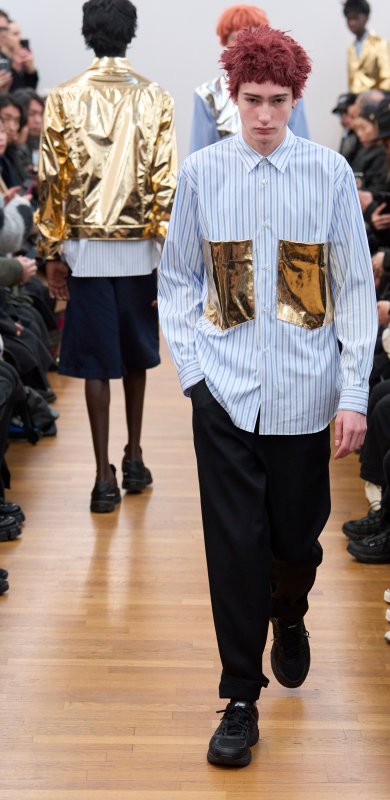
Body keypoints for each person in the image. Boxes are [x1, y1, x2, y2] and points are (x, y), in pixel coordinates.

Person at [159, 25, 376, 768]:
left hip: (304, 393)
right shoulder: (202, 173)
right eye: (251, 99)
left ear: (294, 99)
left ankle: (291, 608)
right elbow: (178, 279)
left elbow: (353, 288)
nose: (262, 115)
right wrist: (194, 376)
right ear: (233, 95)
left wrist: (354, 394)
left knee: (296, 539)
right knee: (234, 547)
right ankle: (239, 697)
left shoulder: (328, 173)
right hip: (223, 392)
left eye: (277, 100)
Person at [36, 0, 177, 512]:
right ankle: (134, 457)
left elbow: (53, 178)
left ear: (87, 33)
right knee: (137, 355)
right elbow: (165, 179)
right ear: (129, 32)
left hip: (85, 248)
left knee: (97, 363)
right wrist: (167, 248)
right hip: (140, 249)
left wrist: (51, 247)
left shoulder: (64, 96)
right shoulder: (155, 96)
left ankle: (102, 480)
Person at [189, 4, 309, 153]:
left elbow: (302, 146)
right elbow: (199, 151)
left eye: (250, 36)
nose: (243, 44)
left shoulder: (286, 86)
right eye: (236, 38)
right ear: (225, 41)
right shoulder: (207, 94)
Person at [343, 0, 390, 94]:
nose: (352, 23)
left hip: (375, 99)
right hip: (355, 99)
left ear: (366, 17)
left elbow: (389, 79)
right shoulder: (350, 48)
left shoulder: (380, 44)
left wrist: (380, 100)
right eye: (349, 19)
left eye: (355, 18)